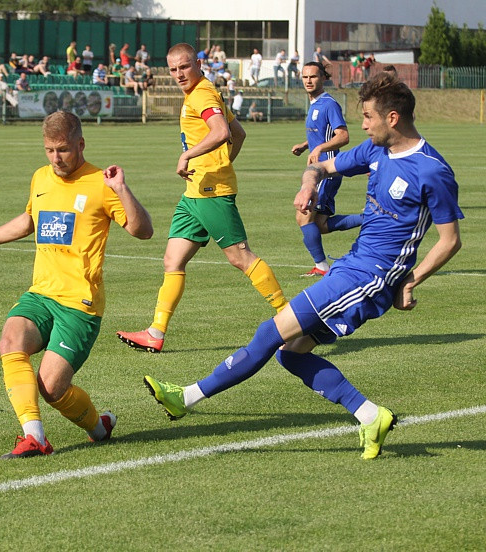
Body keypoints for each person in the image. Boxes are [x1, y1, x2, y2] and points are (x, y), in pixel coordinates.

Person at [142, 72, 464, 461]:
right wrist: (308, 185)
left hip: (369, 279)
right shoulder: (375, 151)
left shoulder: (432, 170)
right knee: (291, 353)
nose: (362, 125)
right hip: (352, 267)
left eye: (367, 117)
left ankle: (186, 397)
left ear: (392, 118)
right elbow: (321, 167)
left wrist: (409, 282)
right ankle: (370, 415)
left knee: (269, 334)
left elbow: (450, 240)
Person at [0, 111, 153, 458]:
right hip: (42, 294)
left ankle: (98, 426)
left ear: (80, 144)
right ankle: (34, 437)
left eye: (62, 150)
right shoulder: (41, 178)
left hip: (80, 305)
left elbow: (143, 231)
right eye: (49, 150)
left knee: (50, 388)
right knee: (9, 341)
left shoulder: (100, 183)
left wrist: (122, 190)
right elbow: (30, 220)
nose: (55, 158)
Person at [116, 44, 286, 353]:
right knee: (173, 260)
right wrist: (222, 163)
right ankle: (156, 332)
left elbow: (222, 131)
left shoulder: (203, 94)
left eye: (184, 67)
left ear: (197, 64)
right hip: (194, 193)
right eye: (173, 69)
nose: (179, 74)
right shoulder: (204, 92)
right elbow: (239, 133)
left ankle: (291, 320)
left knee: (240, 257)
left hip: (210, 192)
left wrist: (190, 155)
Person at [290, 61, 360, 277]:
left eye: (313, 76)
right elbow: (322, 133)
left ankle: (321, 267)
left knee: (303, 216)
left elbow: (343, 136)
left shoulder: (329, 104)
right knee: (319, 224)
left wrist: (319, 147)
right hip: (319, 170)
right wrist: (306, 145)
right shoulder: (314, 103)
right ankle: (370, 218)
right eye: (305, 77)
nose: (308, 81)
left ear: (323, 78)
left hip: (327, 171)